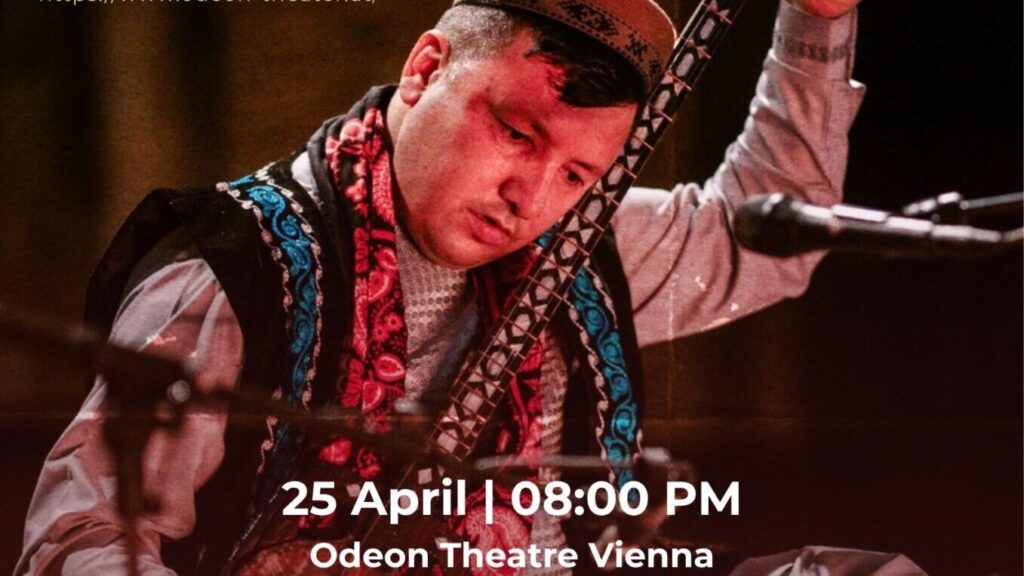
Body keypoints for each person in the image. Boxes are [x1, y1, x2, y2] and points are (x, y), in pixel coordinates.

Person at [15, 0, 923, 574]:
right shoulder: (235, 269)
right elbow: (80, 540)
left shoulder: (579, 243)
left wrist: (819, 18)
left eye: (578, 174)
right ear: (425, 70)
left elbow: (765, 239)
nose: (531, 198)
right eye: (517, 135)